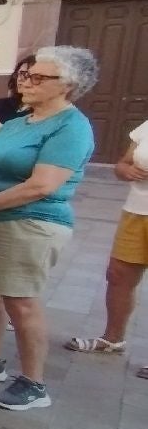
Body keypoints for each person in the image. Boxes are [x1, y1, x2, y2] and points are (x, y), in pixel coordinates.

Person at [0, 46, 98, 411]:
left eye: (38, 77)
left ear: (68, 86)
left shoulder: (71, 127)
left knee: (21, 301)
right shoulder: (19, 121)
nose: (25, 81)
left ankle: (34, 382)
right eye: (26, 74)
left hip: (31, 222)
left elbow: (41, 185)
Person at [77, 121, 148, 380]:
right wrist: (125, 170)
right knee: (118, 275)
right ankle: (113, 339)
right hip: (137, 211)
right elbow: (124, 163)